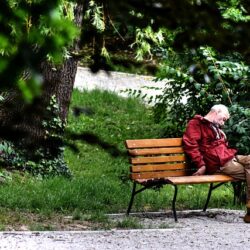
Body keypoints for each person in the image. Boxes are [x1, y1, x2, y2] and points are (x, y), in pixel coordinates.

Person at [182, 104, 250, 223]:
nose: (223, 123)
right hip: (218, 163)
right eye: (223, 119)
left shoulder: (214, 127)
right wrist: (201, 165)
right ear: (217, 111)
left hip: (229, 156)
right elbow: (191, 145)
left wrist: (222, 136)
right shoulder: (196, 124)